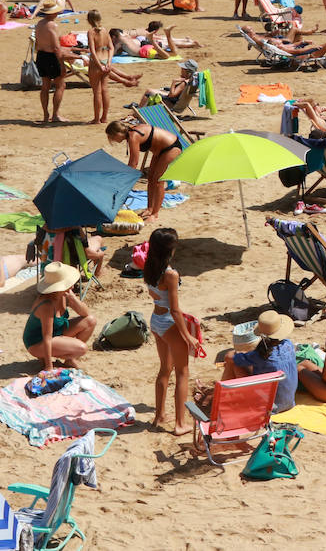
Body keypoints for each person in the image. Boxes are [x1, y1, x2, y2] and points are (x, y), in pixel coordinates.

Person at [144, 228, 199, 435]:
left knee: (164, 369)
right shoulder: (170, 274)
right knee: (182, 372)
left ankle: (159, 415)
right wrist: (188, 336)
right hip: (169, 322)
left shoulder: (148, 267)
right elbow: (175, 310)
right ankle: (179, 424)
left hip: (156, 319)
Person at [105, 118, 182, 221]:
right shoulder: (130, 134)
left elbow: (134, 162)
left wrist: (124, 181)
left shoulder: (133, 136)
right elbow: (133, 163)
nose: (112, 139)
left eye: (112, 136)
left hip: (171, 147)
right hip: (160, 150)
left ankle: (155, 214)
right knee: (151, 178)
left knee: (158, 180)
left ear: (118, 133)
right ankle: (150, 209)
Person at [222, 310, 299, 413]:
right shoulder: (288, 345)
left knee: (234, 363)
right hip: (289, 403)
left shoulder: (259, 355)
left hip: (267, 406)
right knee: (246, 364)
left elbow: (229, 357)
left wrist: (236, 353)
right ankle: (220, 394)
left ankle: (220, 396)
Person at [24, 262, 96, 371]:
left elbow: (86, 314)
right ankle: (46, 358)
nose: (72, 286)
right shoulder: (46, 305)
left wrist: (73, 300)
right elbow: (47, 337)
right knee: (81, 348)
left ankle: (69, 359)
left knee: (90, 321)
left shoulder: (61, 295)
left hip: (56, 331)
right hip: (37, 342)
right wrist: (49, 367)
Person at [34, 0, 68, 123]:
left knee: (45, 86)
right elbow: (56, 47)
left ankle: (45, 115)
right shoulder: (52, 25)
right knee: (60, 85)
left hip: (41, 56)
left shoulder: (39, 24)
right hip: (51, 57)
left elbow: (37, 43)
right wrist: (62, 64)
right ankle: (55, 114)